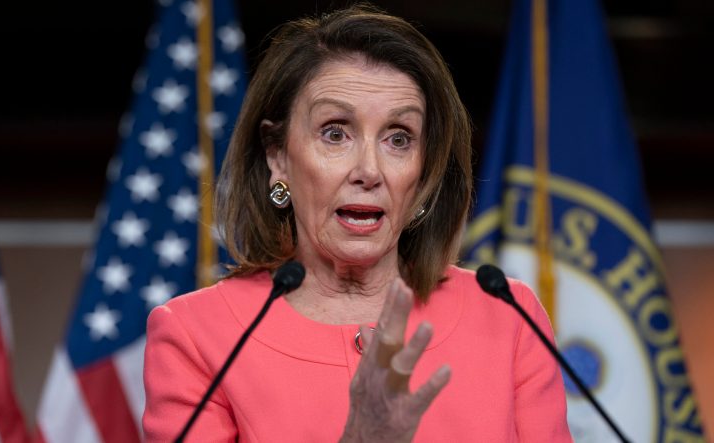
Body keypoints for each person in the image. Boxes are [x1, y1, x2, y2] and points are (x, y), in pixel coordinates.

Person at [143, 5, 571, 442]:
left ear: (424, 171)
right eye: (335, 132)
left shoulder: (506, 317)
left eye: (398, 138)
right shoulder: (197, 336)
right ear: (278, 156)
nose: (369, 169)